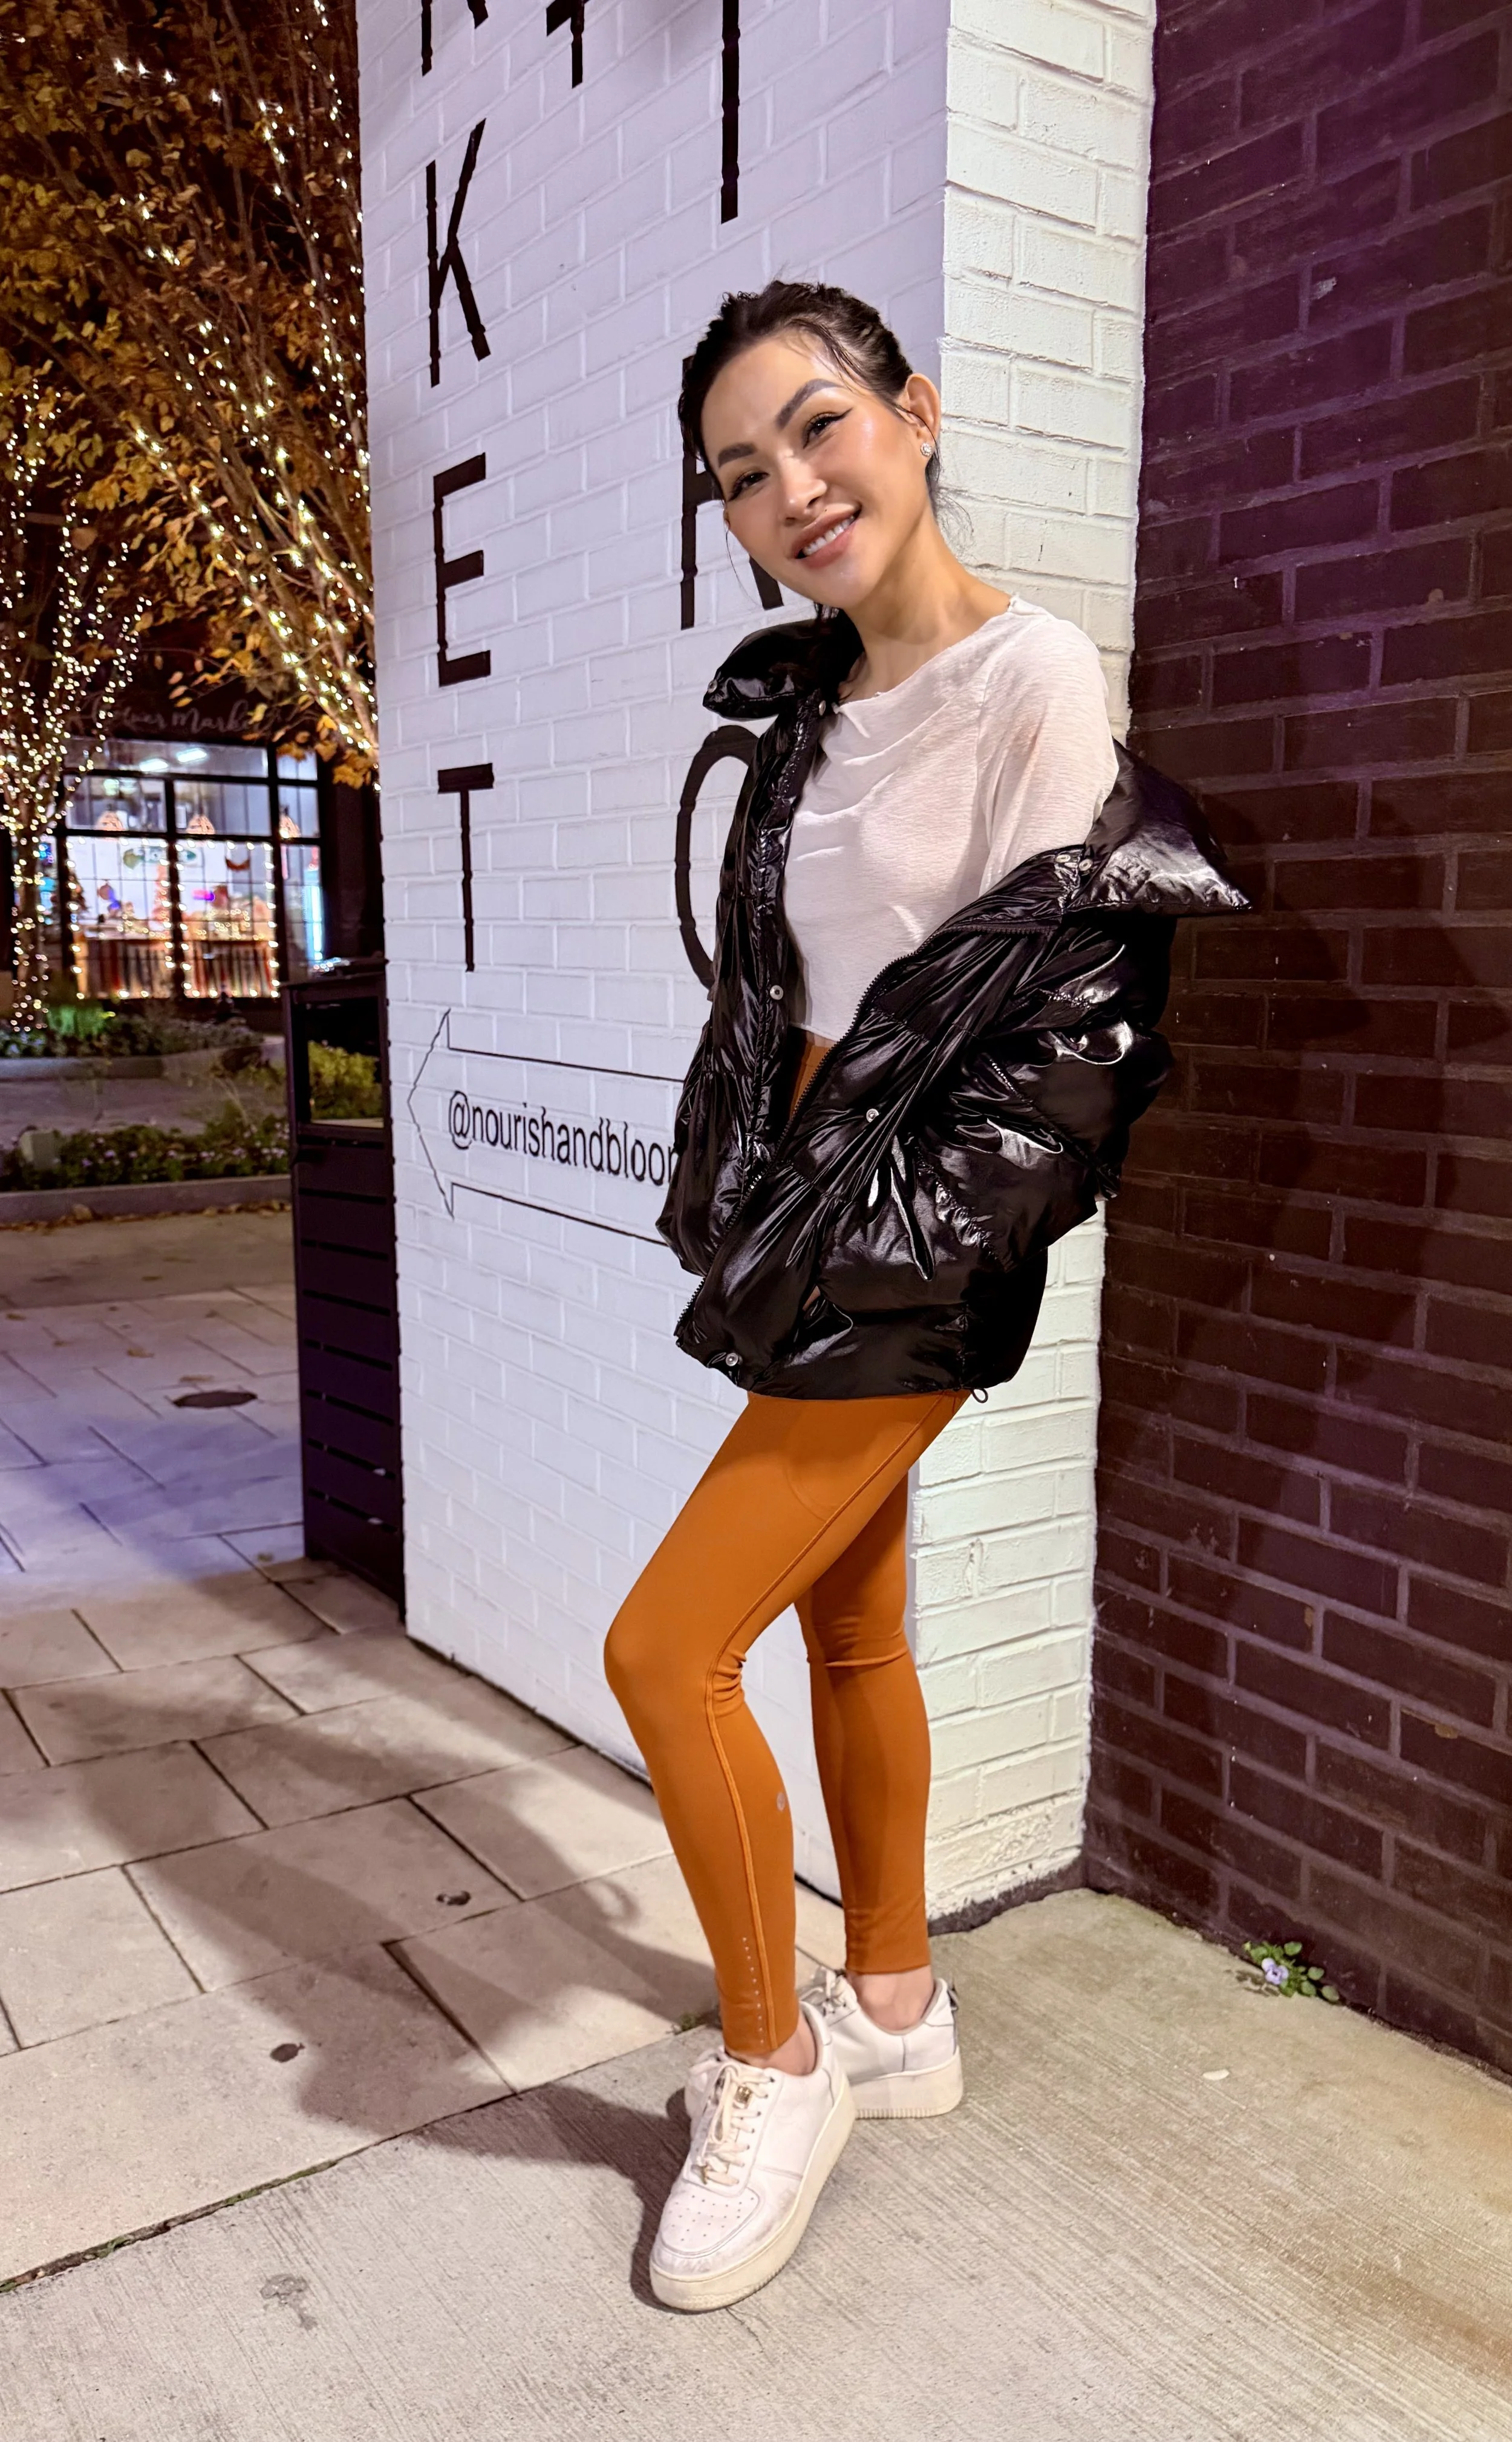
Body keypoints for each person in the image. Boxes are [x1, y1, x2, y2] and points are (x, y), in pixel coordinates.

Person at [604, 280, 1244, 2315]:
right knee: (845, 1619)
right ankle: (890, 1999)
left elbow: (1055, 1039)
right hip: (811, 1209)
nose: (791, 486)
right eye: (740, 471)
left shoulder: (1030, 673)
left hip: (913, 1237)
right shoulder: (804, 700)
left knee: (659, 1648)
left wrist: (887, 1275)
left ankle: (771, 2063)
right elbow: (789, 1004)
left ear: (917, 412)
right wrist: (751, 1193)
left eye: (819, 427)